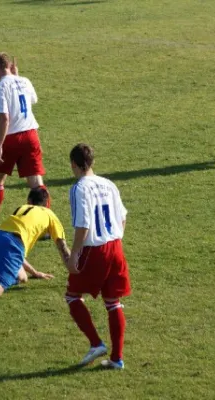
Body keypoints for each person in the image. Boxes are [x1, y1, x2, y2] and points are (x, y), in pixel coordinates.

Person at [65, 144, 131, 370]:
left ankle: (96, 343)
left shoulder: (78, 188)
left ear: (74, 164)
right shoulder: (109, 184)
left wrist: (74, 255)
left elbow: (82, 225)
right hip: (116, 246)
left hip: (95, 249)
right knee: (113, 303)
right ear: (91, 161)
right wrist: (116, 237)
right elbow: (123, 216)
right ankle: (117, 358)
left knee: (73, 296)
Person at [0, 52, 52, 230]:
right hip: (31, 135)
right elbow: (33, 99)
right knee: (36, 183)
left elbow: (4, 118)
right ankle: (47, 227)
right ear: (10, 66)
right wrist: (17, 76)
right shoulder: (24, 80)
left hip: (11, 138)